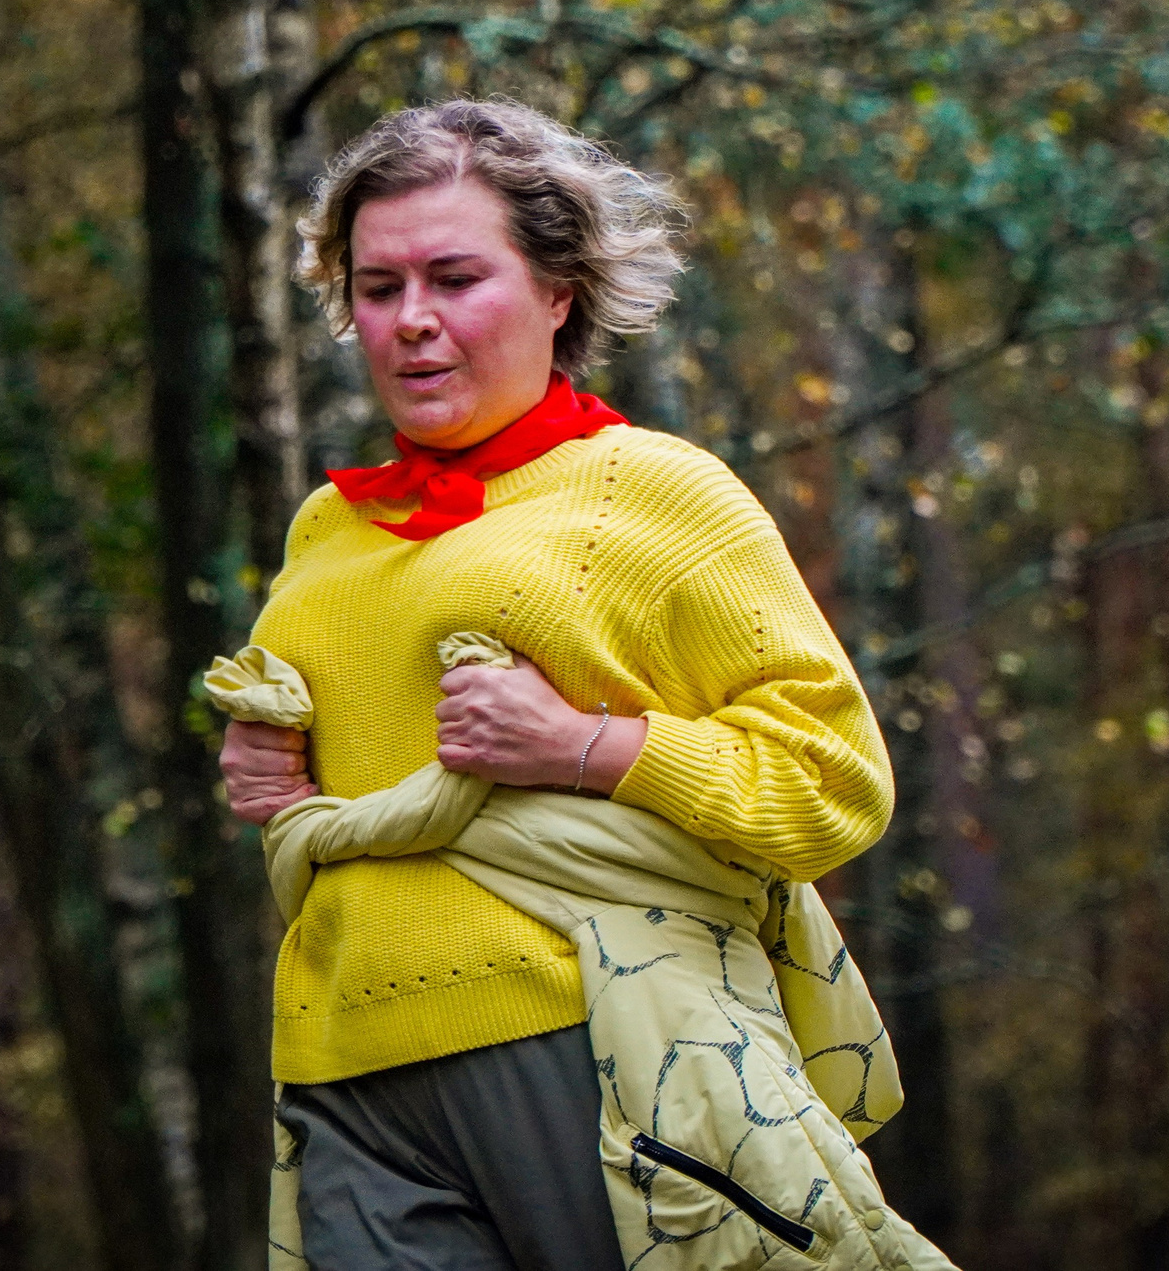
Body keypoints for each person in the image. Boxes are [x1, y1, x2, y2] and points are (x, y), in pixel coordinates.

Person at [218, 98, 898, 1271]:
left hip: (582, 1043)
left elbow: (835, 786)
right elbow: (365, 801)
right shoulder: (328, 526)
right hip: (340, 1063)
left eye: (452, 278)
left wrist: (586, 746)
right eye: (378, 290)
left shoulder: (650, 491)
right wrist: (275, 782)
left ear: (557, 291)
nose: (412, 322)